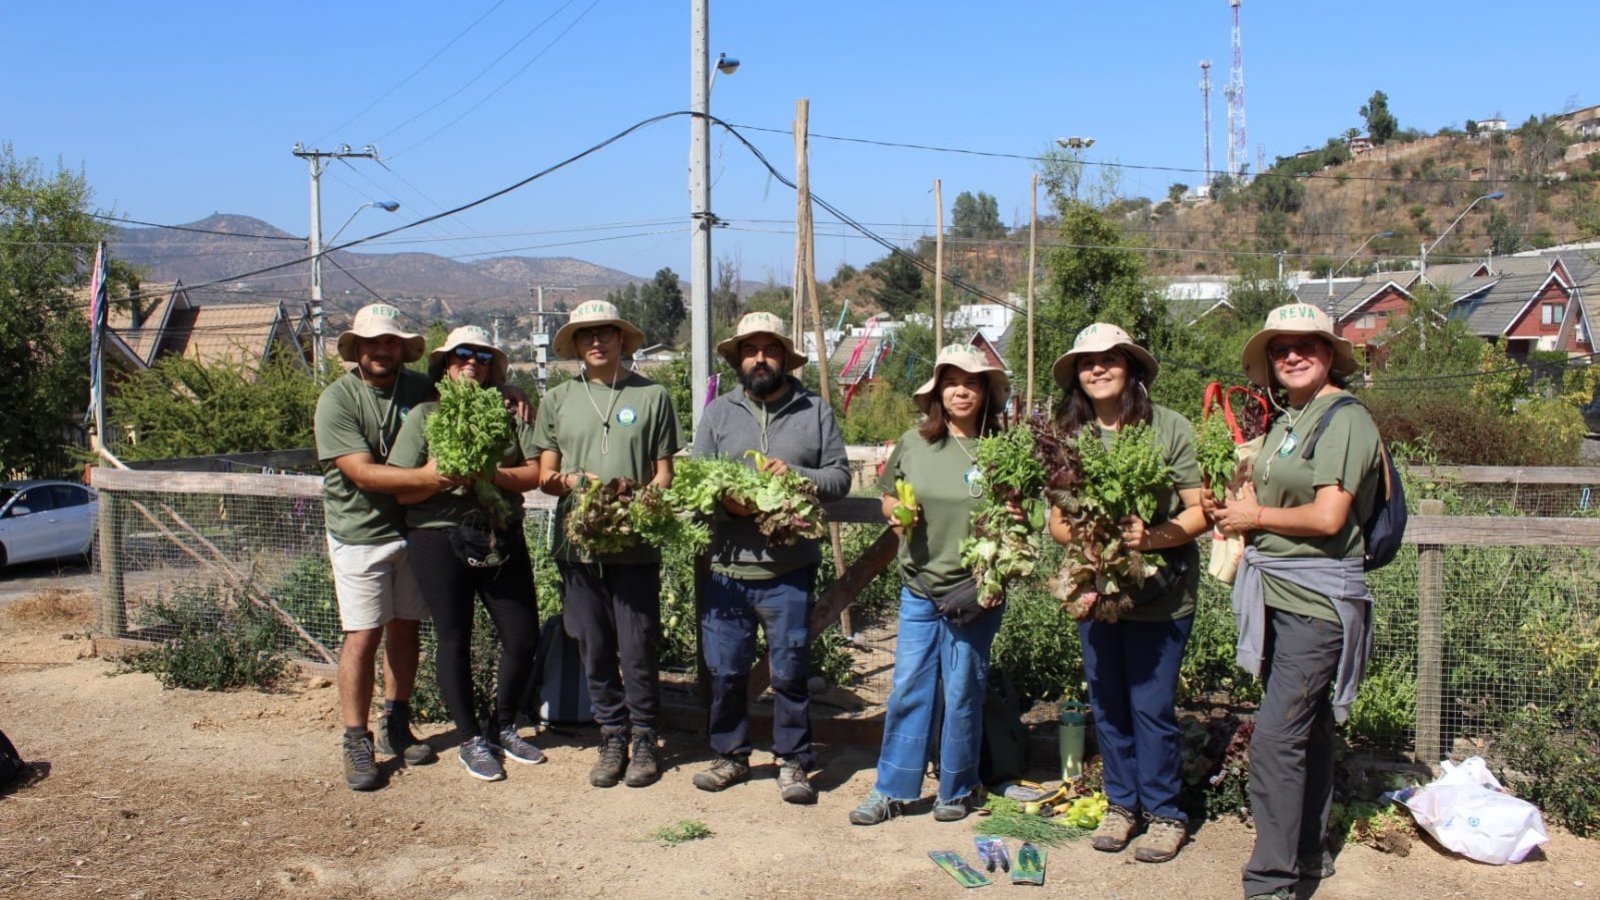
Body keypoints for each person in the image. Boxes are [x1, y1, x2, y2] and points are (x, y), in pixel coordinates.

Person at [1207, 303, 1382, 900]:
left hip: (1317, 600)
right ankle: (1309, 851)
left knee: (1277, 739)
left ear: (1330, 354)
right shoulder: (1290, 420)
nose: (1292, 355)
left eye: (1306, 345)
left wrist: (1257, 515)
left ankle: (1270, 883)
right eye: (1280, 348)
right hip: (1278, 592)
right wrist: (1236, 514)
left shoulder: (1345, 418)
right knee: (1306, 732)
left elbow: (1330, 516)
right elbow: (1270, 500)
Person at [1045, 323, 1208, 863]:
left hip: (1161, 595)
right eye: (1086, 363)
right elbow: (1055, 522)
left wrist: (1152, 537)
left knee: (1152, 706)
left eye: (1109, 359)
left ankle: (1164, 813)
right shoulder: (1070, 436)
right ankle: (1121, 805)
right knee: (1108, 703)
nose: (1097, 368)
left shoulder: (1170, 428)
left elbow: (1199, 509)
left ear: (1131, 368)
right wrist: (1090, 535)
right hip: (1097, 592)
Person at [689, 312, 851, 804]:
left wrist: (799, 476)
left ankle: (794, 760)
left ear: (784, 357)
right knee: (728, 671)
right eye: (751, 350)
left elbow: (840, 478)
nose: (760, 358)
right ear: (739, 359)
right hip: (728, 569)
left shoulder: (814, 410)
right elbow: (696, 480)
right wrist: (723, 499)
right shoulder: (718, 414)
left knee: (790, 671)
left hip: (789, 570)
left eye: (770, 349)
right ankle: (730, 756)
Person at [850, 344, 1010, 826]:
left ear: (985, 394)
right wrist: (896, 513)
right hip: (920, 586)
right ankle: (892, 788)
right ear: (938, 391)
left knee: (963, 689)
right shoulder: (915, 442)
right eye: (952, 381)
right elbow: (885, 499)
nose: (962, 390)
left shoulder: (1003, 450)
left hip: (975, 592)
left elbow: (1025, 519)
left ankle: (957, 788)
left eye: (973, 382)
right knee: (909, 688)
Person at [387, 326, 545, 782]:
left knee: (521, 636)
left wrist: (488, 474)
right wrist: (442, 478)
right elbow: (402, 487)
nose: (470, 363)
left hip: (500, 529)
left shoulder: (510, 413)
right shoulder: (424, 416)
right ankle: (470, 737)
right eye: (460, 356)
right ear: (445, 365)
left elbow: (533, 472)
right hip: (438, 535)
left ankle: (504, 724)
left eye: (480, 356)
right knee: (453, 637)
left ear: (493, 367)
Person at [534, 300, 681, 789]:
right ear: (575, 344)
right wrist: (572, 481)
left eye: (605, 333)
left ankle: (644, 737)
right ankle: (612, 733)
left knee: (638, 643)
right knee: (592, 642)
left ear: (621, 339)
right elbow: (545, 475)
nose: (596, 341)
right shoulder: (557, 399)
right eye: (585, 335)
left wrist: (636, 503)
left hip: (635, 542)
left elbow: (664, 475)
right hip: (578, 545)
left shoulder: (653, 394)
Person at [314, 304, 450, 790]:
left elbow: (463, 394)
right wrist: (427, 478)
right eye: (371, 343)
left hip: (412, 530)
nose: (380, 349)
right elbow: (360, 471)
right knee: (362, 634)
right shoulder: (339, 399)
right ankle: (356, 736)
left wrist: (510, 391)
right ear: (357, 349)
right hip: (359, 535)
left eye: (389, 342)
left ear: (401, 349)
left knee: (405, 628)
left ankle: (397, 721)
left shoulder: (417, 389)